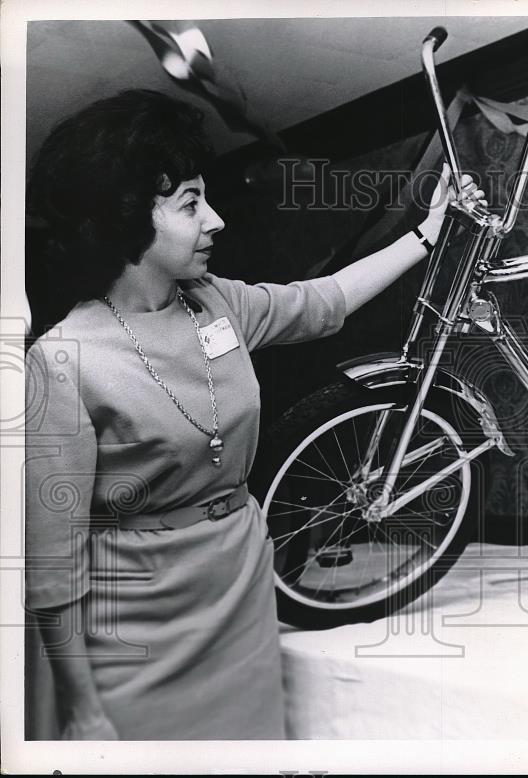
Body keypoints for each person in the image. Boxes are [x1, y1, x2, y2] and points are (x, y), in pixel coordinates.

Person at [24, 88, 484, 740]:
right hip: (134, 636)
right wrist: (82, 708)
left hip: (239, 596)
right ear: (127, 215)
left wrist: (427, 233)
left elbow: (324, 300)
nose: (215, 220)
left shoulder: (215, 303)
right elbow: (51, 567)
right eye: (190, 204)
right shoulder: (64, 360)